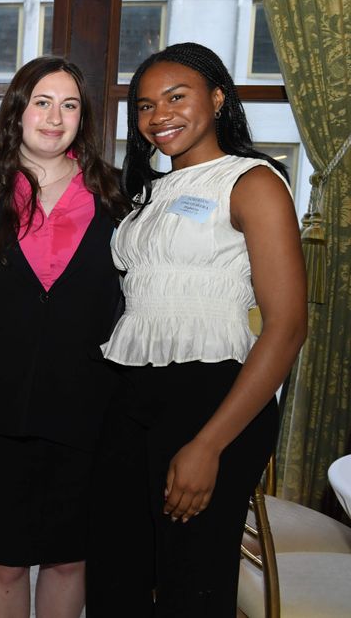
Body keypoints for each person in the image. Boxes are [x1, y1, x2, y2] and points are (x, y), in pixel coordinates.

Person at [88, 42, 307, 617]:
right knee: (114, 576)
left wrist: (209, 444)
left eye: (176, 97)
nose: (158, 115)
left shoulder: (251, 181)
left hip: (212, 394)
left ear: (217, 98)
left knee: (191, 585)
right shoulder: (148, 193)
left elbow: (287, 327)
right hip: (130, 390)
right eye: (145, 105)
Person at [0, 56, 131, 618]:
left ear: (83, 118)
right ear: (18, 111)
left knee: (68, 558)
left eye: (70, 105)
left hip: (87, 404)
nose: (55, 118)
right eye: (43, 103)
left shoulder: (117, 193)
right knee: (4, 559)